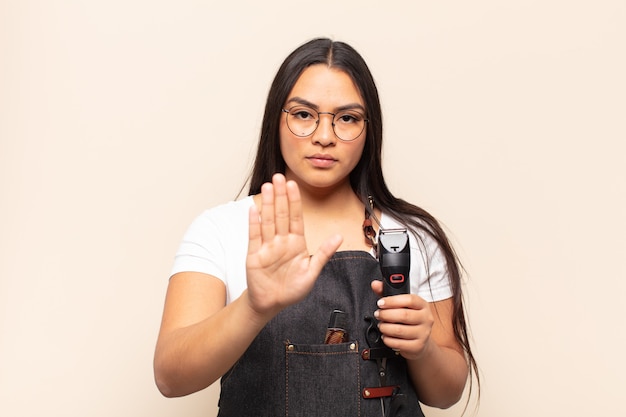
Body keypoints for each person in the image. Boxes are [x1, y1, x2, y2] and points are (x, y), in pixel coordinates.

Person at [154, 38, 479, 416]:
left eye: (347, 118)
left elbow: (447, 393)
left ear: (368, 128)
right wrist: (254, 307)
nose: (324, 136)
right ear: (276, 119)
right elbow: (170, 377)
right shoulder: (219, 229)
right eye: (304, 114)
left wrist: (423, 347)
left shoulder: (412, 237)